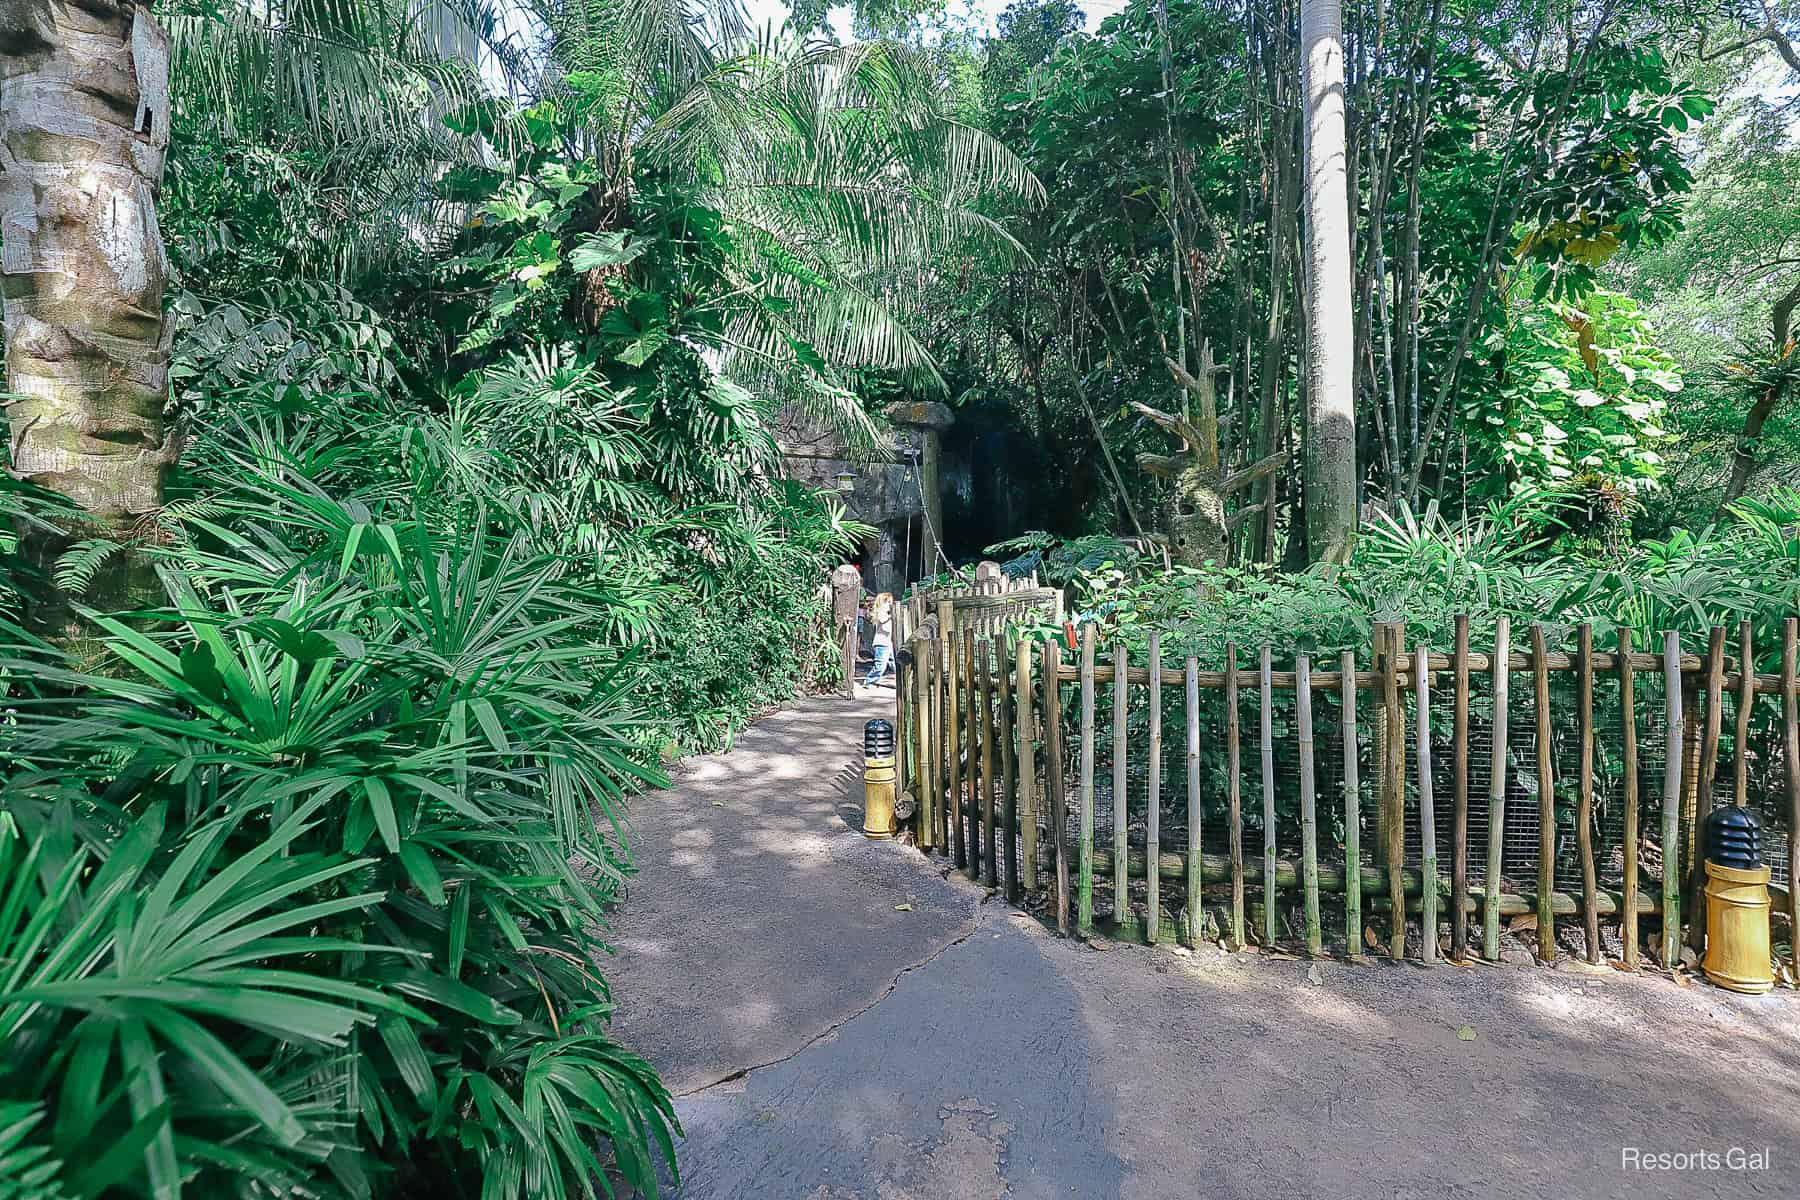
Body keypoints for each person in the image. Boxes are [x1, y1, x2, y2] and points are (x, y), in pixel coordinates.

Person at [862, 592, 895, 687]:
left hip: (888, 642)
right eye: (888, 602)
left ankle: (901, 681)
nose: (890, 604)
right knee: (880, 666)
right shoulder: (881, 611)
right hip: (881, 643)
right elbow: (882, 619)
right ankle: (869, 681)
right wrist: (890, 615)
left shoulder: (886, 612)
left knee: (894, 663)